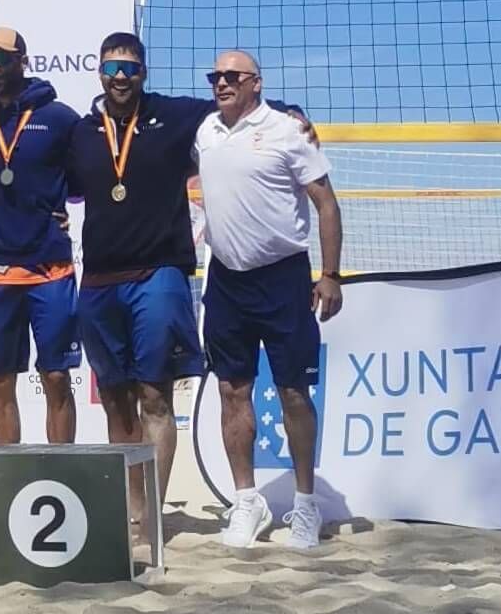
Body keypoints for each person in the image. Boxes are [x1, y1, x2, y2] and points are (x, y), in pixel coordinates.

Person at [65, 31, 315, 542]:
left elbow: (240, 108)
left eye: (130, 68)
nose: (120, 77)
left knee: (155, 396)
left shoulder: (177, 117)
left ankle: (151, 518)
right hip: (98, 280)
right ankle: (130, 509)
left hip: (159, 273)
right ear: (99, 73)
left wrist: (289, 110)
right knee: (114, 400)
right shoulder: (79, 131)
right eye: (111, 68)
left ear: (143, 73)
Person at [193, 48, 344, 551]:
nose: (222, 82)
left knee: (293, 391)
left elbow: (326, 202)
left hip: (282, 278)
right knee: (232, 391)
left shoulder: (287, 129)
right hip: (226, 279)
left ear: (256, 83)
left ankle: (305, 503)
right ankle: (246, 500)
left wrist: (330, 275)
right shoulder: (206, 130)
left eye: (233, 75)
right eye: (216, 76)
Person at [0, 26, 83, 445]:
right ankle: (11, 479)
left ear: (22, 60)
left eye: (2, 58)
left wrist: (52, 210)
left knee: (55, 376)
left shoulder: (59, 118)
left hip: (49, 267)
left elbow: (86, 181)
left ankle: (62, 474)